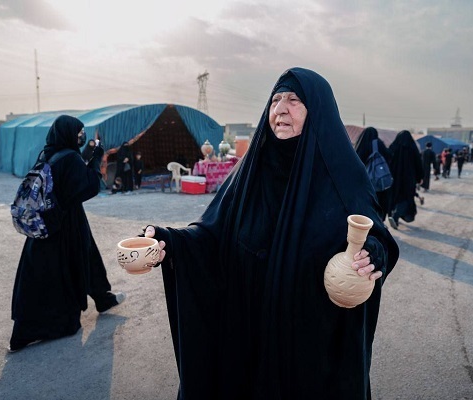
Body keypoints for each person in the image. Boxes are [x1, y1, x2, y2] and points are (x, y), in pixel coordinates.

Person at [143, 68, 399, 399]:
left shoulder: (342, 177)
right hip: (247, 332)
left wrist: (373, 254)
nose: (280, 109)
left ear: (318, 110)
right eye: (276, 100)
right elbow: (211, 235)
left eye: (294, 100)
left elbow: (375, 235)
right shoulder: (249, 173)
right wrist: (170, 240)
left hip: (310, 347)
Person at [9, 115, 125, 352]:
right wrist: (96, 160)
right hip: (66, 226)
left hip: (46, 225)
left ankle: (102, 298)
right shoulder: (70, 157)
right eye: (79, 133)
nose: (81, 137)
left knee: (43, 274)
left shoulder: (47, 154)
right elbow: (88, 186)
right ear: (69, 134)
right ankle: (88, 307)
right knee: (74, 264)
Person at [387, 130, 424, 230]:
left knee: (396, 197)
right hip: (409, 179)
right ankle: (396, 215)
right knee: (406, 198)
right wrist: (420, 177)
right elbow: (418, 163)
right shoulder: (412, 148)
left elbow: (387, 160)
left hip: (395, 178)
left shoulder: (394, 146)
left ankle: (394, 216)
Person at [354, 126, 393, 221]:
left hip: (365, 181)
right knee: (380, 203)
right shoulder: (379, 144)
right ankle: (379, 222)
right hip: (379, 181)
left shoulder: (360, 145)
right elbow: (389, 157)